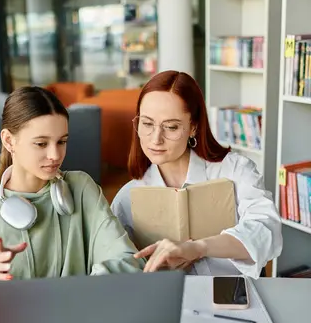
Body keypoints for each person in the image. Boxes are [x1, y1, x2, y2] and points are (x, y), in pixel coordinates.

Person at [0, 86, 144, 323]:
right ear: (9, 140)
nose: (55, 155)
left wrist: (77, 299)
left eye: (62, 142)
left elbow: (128, 261)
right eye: (41, 143)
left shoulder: (81, 190)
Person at [111, 70, 282, 277]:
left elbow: (266, 229)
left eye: (171, 127)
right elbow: (117, 267)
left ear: (193, 127)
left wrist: (200, 247)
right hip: (169, 301)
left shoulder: (236, 171)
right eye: (147, 124)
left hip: (232, 298)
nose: (156, 139)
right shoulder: (127, 198)